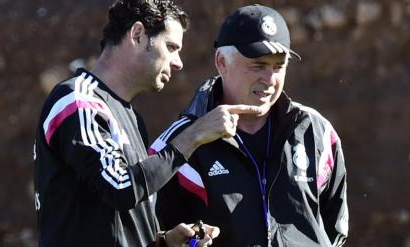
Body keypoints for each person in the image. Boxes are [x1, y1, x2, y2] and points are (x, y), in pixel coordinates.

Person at [33, 0, 262, 246]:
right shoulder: (77, 102)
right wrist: (194, 134)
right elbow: (120, 187)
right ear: (138, 34)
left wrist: (164, 241)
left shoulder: (130, 117)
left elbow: (114, 220)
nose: (178, 62)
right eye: (171, 47)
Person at [151, 4, 349, 247]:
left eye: (279, 66)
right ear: (221, 62)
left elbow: (334, 231)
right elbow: (145, 234)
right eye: (258, 65)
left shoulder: (317, 132)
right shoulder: (177, 142)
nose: (270, 79)